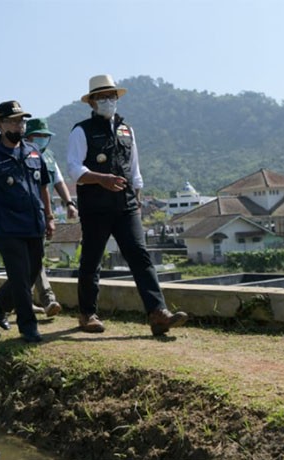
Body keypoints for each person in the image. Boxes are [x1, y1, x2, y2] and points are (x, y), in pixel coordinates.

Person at [67, 74, 188, 336]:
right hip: (96, 206)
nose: (108, 101)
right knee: (92, 259)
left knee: (140, 256)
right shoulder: (81, 131)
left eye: (111, 96)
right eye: (101, 97)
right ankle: (87, 314)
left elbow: (135, 169)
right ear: (92, 102)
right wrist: (102, 179)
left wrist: (138, 199)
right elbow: (75, 169)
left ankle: (158, 313)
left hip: (126, 205)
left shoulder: (126, 130)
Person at [0, 100, 53, 343]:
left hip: (34, 223)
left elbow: (43, 187)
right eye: (14, 121)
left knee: (32, 271)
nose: (20, 126)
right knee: (18, 274)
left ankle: (3, 301)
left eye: (22, 121)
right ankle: (28, 326)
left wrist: (49, 217)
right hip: (7, 226)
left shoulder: (33, 151)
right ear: (0, 125)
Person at [25, 118, 79, 317]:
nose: (42, 139)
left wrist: (69, 203)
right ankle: (46, 298)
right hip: (21, 214)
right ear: (28, 137)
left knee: (34, 258)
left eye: (45, 136)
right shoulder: (19, 154)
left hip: (41, 213)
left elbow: (58, 181)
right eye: (38, 136)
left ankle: (20, 300)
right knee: (30, 259)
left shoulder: (49, 157)